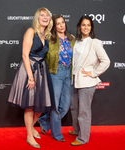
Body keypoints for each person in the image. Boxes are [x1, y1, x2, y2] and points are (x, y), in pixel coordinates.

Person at [7, 7, 53, 149]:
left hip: (41, 70)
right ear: (37, 18)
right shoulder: (31, 31)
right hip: (29, 70)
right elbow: (25, 55)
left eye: (48, 16)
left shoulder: (46, 35)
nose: (45, 18)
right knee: (30, 106)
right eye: (42, 15)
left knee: (39, 106)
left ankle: (31, 128)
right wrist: (30, 77)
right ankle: (29, 136)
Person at [69, 15, 110, 146]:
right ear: (79, 27)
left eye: (88, 25)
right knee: (74, 108)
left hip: (87, 82)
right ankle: (77, 130)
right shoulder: (77, 42)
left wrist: (93, 73)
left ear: (91, 27)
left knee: (84, 111)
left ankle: (83, 138)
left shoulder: (95, 42)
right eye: (83, 25)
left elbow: (106, 61)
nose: (85, 27)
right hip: (74, 79)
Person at [38, 14, 75, 142]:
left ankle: (44, 121)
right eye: (58, 23)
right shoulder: (50, 39)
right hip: (55, 73)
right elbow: (42, 56)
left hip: (68, 73)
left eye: (63, 22)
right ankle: (57, 134)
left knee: (64, 107)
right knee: (55, 106)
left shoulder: (72, 39)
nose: (61, 26)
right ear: (54, 26)